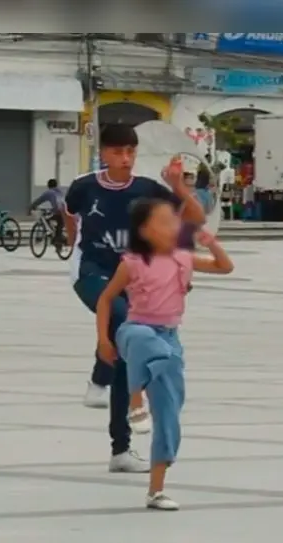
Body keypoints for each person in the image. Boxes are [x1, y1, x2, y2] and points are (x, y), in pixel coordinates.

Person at [64, 123, 205, 473]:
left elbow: (192, 218)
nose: (125, 159)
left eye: (131, 152)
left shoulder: (147, 189)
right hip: (92, 272)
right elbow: (69, 216)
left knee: (127, 351)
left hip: (133, 278)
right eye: (118, 152)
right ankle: (100, 379)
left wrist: (177, 187)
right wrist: (72, 247)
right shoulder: (84, 187)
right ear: (104, 153)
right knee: (123, 322)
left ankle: (120, 450)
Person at [95, 198, 234, 509]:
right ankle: (134, 401)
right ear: (145, 230)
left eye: (175, 222)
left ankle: (156, 490)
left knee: (169, 415)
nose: (174, 228)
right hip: (135, 333)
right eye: (165, 222)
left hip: (170, 337)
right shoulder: (132, 262)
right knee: (152, 345)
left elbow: (225, 267)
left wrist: (211, 243)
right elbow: (106, 300)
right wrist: (103, 339)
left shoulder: (183, 258)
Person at [29, 178, 65, 244]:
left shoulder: (49, 192)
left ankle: (50, 232)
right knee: (59, 225)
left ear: (48, 186)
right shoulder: (60, 192)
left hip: (57, 211)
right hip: (65, 212)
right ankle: (58, 239)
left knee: (45, 218)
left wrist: (31, 206)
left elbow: (39, 200)